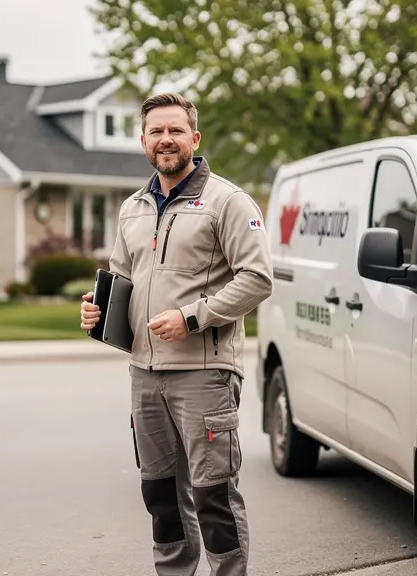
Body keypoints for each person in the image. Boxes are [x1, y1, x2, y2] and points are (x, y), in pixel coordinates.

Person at [80, 92, 273, 576]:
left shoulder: (227, 201)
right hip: (145, 374)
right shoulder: (133, 208)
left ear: (194, 138)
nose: (166, 139)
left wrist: (191, 317)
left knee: (213, 496)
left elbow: (257, 279)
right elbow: (122, 279)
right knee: (161, 495)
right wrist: (97, 310)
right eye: (156, 132)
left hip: (205, 374)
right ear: (143, 140)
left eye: (176, 131)